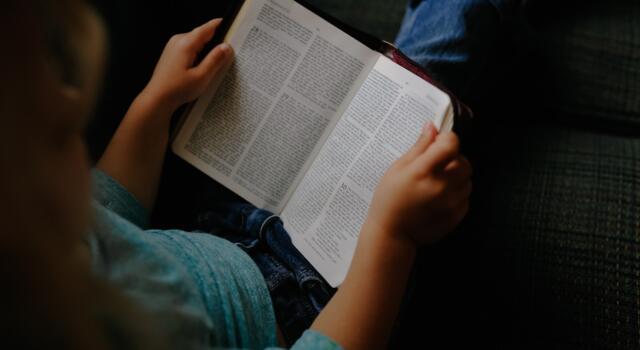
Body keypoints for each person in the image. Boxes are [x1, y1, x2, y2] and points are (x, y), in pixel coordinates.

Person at [0, 0, 474, 349]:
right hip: (315, 300)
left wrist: (154, 105)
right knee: (434, 72)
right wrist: (391, 234)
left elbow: (111, 208)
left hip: (218, 225)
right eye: (63, 133)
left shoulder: (49, 237)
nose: (77, 122)